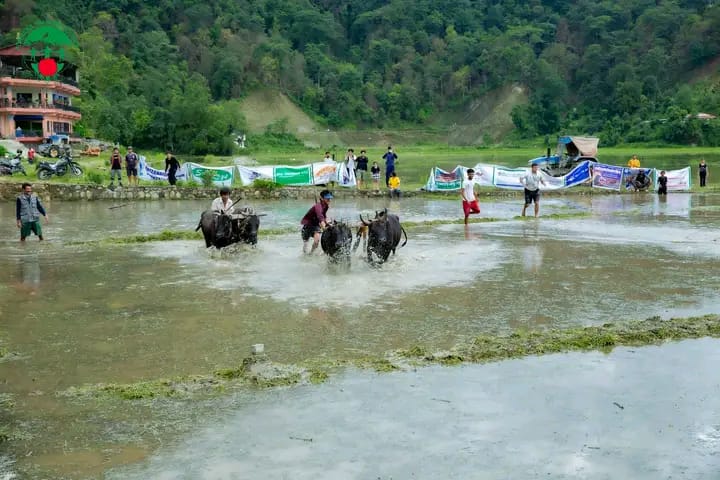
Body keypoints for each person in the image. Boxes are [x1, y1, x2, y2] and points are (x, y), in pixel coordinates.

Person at [300, 189, 333, 255]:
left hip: (315, 225)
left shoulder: (326, 206)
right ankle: (304, 254)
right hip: (308, 225)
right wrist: (324, 227)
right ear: (322, 198)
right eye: (327, 198)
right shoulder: (318, 206)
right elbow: (320, 217)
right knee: (305, 243)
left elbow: (323, 216)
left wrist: (327, 223)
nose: (329, 200)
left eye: (330, 198)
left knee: (316, 241)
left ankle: (311, 254)